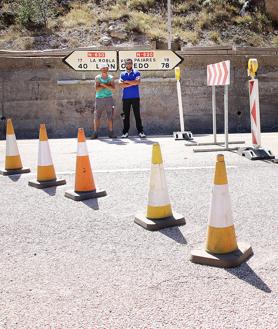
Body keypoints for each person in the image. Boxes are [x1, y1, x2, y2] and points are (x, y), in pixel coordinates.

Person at [119, 58, 146, 138]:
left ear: (132, 64)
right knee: (125, 116)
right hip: (125, 98)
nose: (129, 65)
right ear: (125, 64)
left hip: (135, 97)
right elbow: (121, 85)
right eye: (127, 63)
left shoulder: (136, 72)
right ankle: (125, 132)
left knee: (137, 115)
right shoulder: (122, 74)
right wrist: (132, 83)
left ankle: (140, 132)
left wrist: (126, 82)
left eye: (130, 63)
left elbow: (138, 82)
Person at [92, 63, 116, 139]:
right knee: (97, 116)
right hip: (99, 98)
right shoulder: (97, 77)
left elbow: (113, 89)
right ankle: (95, 133)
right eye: (103, 68)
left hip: (109, 98)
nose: (104, 69)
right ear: (100, 69)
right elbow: (96, 89)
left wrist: (102, 84)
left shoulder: (111, 77)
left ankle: (111, 132)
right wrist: (107, 85)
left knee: (110, 116)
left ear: (108, 69)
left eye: (105, 68)